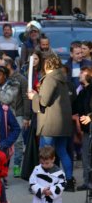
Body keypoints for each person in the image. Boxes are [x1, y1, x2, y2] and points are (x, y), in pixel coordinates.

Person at [28, 54, 74, 191]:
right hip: (62, 124)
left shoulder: (50, 78)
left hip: (49, 123)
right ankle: (69, 181)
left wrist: (33, 96)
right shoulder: (62, 79)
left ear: (47, 65)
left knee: (44, 153)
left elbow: (44, 101)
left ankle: (42, 183)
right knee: (62, 151)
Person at [1, 57, 31, 178]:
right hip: (4, 113)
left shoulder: (21, 79)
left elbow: (26, 98)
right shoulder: (3, 79)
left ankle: (17, 164)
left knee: (18, 141)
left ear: (9, 66)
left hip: (18, 113)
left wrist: (26, 116)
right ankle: (4, 165)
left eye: (4, 66)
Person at [72, 66, 92, 191]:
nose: (79, 74)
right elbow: (75, 107)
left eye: (82, 72)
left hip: (90, 127)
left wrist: (90, 117)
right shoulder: (83, 91)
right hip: (86, 130)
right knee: (86, 156)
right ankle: (87, 182)